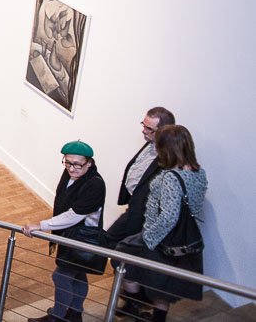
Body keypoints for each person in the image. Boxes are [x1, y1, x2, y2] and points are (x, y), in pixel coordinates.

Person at [115, 125, 208, 322]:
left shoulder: (171, 178)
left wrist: (147, 239)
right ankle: (156, 318)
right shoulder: (199, 172)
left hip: (160, 241)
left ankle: (135, 302)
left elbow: (169, 217)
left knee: (121, 259)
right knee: (163, 287)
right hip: (182, 241)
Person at [23, 140, 106, 322]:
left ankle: (57, 317)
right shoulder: (69, 173)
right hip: (68, 236)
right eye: (68, 162)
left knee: (60, 276)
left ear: (89, 163)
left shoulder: (95, 184)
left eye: (77, 164)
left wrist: (42, 225)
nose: (72, 168)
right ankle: (75, 314)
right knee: (78, 274)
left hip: (81, 239)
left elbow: (74, 215)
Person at [105, 107, 176, 248]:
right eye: (143, 125)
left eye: (149, 128)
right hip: (133, 207)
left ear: (164, 131)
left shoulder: (169, 158)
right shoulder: (150, 142)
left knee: (124, 248)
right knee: (109, 239)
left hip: (143, 216)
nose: (144, 130)